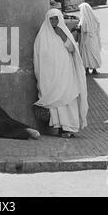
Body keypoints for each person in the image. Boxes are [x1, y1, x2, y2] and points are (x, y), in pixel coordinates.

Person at [33, 9, 88, 138]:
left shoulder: (64, 32)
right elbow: (38, 57)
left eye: (56, 19)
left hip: (66, 73)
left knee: (68, 98)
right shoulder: (42, 36)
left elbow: (71, 48)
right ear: (47, 20)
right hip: (51, 76)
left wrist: (62, 35)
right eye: (51, 19)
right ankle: (60, 128)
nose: (54, 21)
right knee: (56, 101)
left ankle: (69, 127)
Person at [77, 3, 102, 75]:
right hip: (94, 39)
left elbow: (84, 29)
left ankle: (87, 69)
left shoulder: (84, 20)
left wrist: (79, 27)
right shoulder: (94, 18)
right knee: (94, 53)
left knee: (87, 55)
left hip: (86, 40)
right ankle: (94, 69)